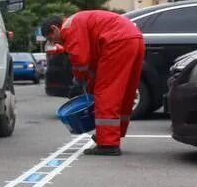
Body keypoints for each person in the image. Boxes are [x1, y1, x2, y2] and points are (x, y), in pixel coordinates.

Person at [40, 11, 144, 156]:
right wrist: (90, 81)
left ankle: (108, 143)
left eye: (51, 38)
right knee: (125, 92)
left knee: (106, 93)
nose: (54, 43)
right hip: (134, 38)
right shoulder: (78, 22)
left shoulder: (68, 29)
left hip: (116, 42)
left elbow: (80, 60)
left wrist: (79, 79)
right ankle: (112, 133)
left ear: (55, 29)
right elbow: (92, 57)